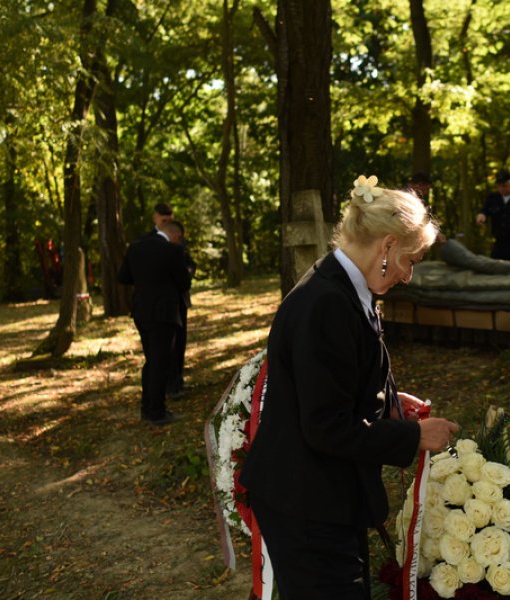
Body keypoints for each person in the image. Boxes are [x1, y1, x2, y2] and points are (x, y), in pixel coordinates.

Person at [240, 175, 460, 599]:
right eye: (410, 260)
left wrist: (390, 402)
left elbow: (338, 381)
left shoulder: (344, 286)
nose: (408, 276)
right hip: (305, 500)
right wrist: (413, 436)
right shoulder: (326, 302)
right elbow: (326, 426)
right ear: (388, 245)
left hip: (324, 493)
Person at [117, 220, 190, 426]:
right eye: (179, 238)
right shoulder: (172, 251)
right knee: (161, 362)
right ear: (175, 235)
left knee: (151, 360)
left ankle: (147, 407)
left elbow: (123, 277)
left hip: (141, 310)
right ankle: (157, 411)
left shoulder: (136, 247)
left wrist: (145, 281)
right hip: (164, 312)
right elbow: (184, 283)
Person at [149, 203, 196, 397]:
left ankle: (178, 381)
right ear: (155, 218)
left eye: (170, 220)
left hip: (179, 299)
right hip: (161, 302)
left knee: (180, 342)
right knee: (165, 344)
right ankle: (167, 384)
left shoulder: (179, 238)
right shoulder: (148, 241)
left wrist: (187, 273)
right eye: (164, 220)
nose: (167, 223)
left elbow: (190, 263)